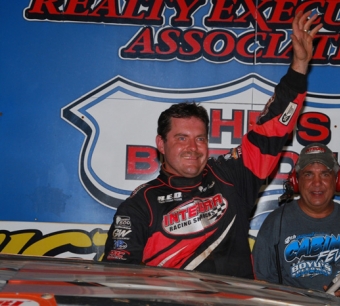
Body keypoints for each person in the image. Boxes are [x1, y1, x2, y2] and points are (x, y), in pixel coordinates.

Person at [102, 11, 323, 279]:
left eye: (200, 138)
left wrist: (299, 66)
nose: (192, 148)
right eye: (181, 138)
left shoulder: (232, 175)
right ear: (161, 143)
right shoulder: (139, 205)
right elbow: (118, 277)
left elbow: (272, 128)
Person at [252, 143, 340, 305]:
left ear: (338, 180)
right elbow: (260, 284)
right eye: (308, 174)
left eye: (325, 174)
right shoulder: (275, 222)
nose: (317, 183)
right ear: (295, 181)